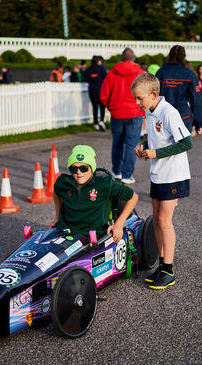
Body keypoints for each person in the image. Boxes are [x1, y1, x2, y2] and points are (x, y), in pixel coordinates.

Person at [131, 73, 193, 290]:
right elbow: (156, 137)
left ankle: (169, 269)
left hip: (173, 175)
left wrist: (155, 153)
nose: (137, 103)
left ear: (153, 94)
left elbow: (186, 142)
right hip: (158, 174)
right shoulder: (151, 111)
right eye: (136, 99)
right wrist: (143, 145)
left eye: (140, 98)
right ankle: (161, 266)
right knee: (156, 219)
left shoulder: (168, 112)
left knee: (165, 222)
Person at [49, 144, 139, 243]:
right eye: (74, 169)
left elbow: (133, 197)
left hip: (93, 237)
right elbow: (56, 191)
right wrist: (57, 216)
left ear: (91, 168)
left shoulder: (104, 184)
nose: (79, 172)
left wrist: (118, 224)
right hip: (65, 233)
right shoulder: (63, 182)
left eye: (83, 168)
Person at [100, 48, 145, 184]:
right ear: (134, 59)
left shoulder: (112, 73)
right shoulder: (141, 74)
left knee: (117, 144)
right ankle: (127, 175)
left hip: (117, 113)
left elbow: (103, 95)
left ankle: (117, 172)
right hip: (135, 113)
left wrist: (112, 107)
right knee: (131, 145)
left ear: (121, 58)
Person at [155, 45, 202, 135]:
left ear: (170, 55)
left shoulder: (161, 72)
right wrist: (198, 124)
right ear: (183, 57)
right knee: (181, 146)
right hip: (182, 116)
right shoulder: (189, 74)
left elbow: (153, 95)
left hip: (163, 115)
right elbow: (196, 100)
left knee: (162, 146)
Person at [85, 56, 107, 131]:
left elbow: (86, 78)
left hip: (92, 90)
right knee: (102, 106)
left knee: (95, 107)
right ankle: (101, 121)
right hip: (101, 90)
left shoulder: (89, 69)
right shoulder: (102, 68)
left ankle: (95, 123)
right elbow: (106, 77)